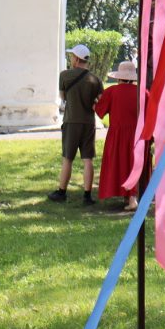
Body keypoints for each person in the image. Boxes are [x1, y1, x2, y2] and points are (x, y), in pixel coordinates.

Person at [49, 44, 102, 205]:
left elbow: (63, 97)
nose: (71, 59)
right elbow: (99, 102)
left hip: (71, 121)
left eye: (72, 56)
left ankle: (62, 191)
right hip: (88, 122)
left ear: (77, 59)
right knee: (88, 159)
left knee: (68, 158)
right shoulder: (95, 80)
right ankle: (87, 195)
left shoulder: (65, 75)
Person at [93, 61, 139, 210]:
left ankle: (131, 198)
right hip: (137, 134)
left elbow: (100, 111)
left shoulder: (112, 91)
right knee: (133, 163)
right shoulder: (141, 92)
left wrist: (94, 101)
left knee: (121, 163)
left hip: (117, 134)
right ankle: (131, 196)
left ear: (119, 77)